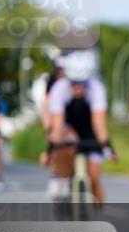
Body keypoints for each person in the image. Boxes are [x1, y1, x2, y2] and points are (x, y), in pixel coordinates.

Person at [46, 48, 117, 207]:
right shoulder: (59, 89)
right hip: (69, 129)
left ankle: (97, 214)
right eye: (74, 83)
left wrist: (108, 147)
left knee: (94, 176)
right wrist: (51, 149)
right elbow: (57, 125)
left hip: (89, 130)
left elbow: (99, 125)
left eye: (82, 84)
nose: (78, 88)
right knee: (66, 142)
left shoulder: (96, 89)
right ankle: (63, 182)